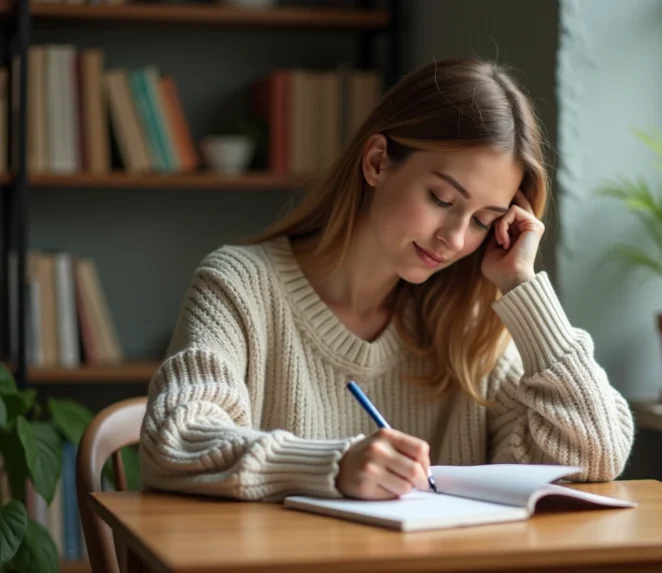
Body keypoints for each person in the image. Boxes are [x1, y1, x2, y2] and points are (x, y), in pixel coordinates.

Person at [139, 57, 634, 503]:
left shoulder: (467, 323)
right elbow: (175, 439)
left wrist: (522, 287)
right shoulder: (240, 287)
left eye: (484, 219)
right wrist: (332, 467)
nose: (455, 238)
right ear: (377, 162)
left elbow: (593, 455)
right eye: (442, 199)